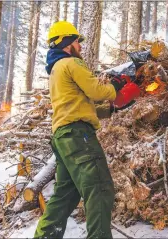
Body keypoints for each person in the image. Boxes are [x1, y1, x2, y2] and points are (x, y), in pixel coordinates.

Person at [34, 21, 128, 239]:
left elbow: (77, 104)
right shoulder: (71, 63)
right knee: (100, 188)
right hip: (78, 136)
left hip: (63, 137)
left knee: (66, 194)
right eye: (77, 41)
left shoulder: (56, 69)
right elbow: (96, 91)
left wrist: (111, 108)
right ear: (66, 42)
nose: (80, 45)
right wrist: (115, 86)